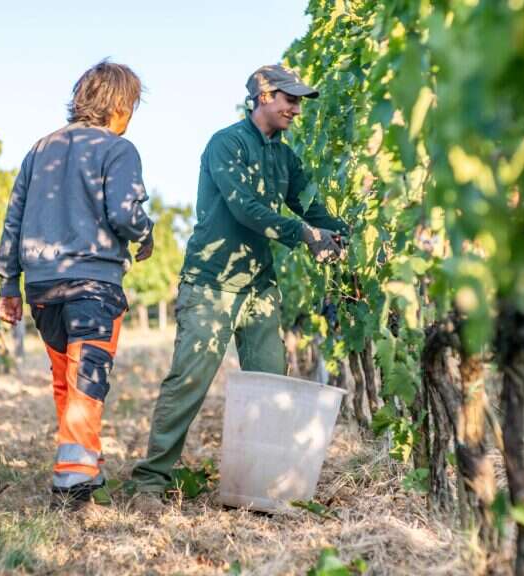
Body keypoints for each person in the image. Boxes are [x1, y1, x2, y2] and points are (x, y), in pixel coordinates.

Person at [130, 64, 347, 509]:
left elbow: (311, 206)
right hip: (212, 282)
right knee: (189, 380)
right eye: (290, 98)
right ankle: (150, 482)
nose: (296, 108)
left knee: (272, 385)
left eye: (300, 101)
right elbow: (245, 208)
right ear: (264, 95)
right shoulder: (225, 144)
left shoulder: (285, 157)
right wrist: (305, 235)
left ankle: (260, 487)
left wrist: (344, 235)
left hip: (259, 286)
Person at [0, 61, 154, 509]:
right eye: (132, 107)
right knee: (88, 380)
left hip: (43, 288)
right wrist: (146, 233)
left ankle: (82, 464)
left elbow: (15, 219)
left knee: (68, 380)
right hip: (93, 284)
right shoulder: (118, 149)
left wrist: (9, 283)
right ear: (118, 105)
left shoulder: (40, 149)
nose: (131, 118)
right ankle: (73, 483)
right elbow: (125, 214)